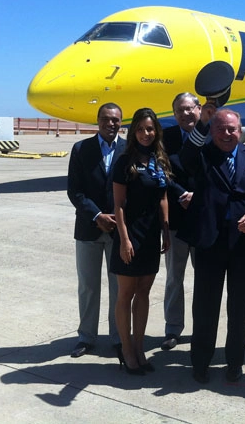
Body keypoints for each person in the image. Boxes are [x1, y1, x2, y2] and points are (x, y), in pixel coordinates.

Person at [178, 105, 245, 384]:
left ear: (240, 130)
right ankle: (200, 363)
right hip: (209, 243)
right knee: (205, 307)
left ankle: (234, 363)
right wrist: (203, 124)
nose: (227, 133)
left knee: (239, 307)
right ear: (213, 130)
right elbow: (184, 157)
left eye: (232, 128)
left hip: (242, 244)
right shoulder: (203, 155)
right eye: (221, 128)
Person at [110, 108, 172, 375]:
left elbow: (162, 198)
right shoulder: (125, 162)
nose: (146, 134)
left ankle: (139, 346)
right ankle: (126, 349)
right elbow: (119, 204)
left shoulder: (159, 160)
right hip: (130, 234)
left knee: (144, 292)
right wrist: (124, 239)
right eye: (141, 129)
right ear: (133, 131)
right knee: (126, 293)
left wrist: (166, 231)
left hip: (151, 235)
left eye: (150, 129)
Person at [66, 102, 126, 358]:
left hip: (118, 231)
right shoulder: (81, 149)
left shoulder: (128, 150)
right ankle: (86, 336)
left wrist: (119, 221)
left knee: (118, 288)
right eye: (106, 119)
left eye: (115, 120)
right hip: (89, 229)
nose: (111, 124)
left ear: (121, 122)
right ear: (98, 121)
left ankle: (118, 337)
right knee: (88, 286)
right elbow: (74, 190)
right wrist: (97, 215)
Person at [160, 93, 200, 351]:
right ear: (174, 114)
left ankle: (202, 328)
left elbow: (219, 170)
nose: (185, 114)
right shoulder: (167, 138)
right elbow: (161, 170)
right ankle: (173, 329)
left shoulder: (211, 134)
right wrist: (180, 194)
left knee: (205, 277)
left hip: (203, 219)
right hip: (176, 219)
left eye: (189, 108)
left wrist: (198, 196)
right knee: (175, 277)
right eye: (180, 110)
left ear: (198, 109)